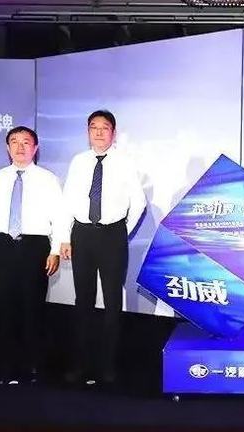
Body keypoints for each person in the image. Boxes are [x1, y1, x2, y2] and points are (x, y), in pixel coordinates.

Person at [60, 109, 146, 386]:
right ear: (88, 132)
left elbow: (139, 202)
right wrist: (64, 237)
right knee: (82, 301)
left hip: (112, 235)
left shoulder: (125, 162)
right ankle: (81, 365)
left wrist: (121, 231)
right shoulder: (79, 161)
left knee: (112, 301)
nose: (98, 132)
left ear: (113, 133)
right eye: (93, 127)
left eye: (104, 127)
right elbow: (68, 200)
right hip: (82, 234)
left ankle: (108, 366)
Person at [0, 126, 63, 385]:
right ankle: (8, 367)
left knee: (32, 308)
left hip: (35, 246)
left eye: (26, 142)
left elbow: (59, 218)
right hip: (2, 246)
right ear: (7, 148)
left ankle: (32, 367)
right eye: (14, 142)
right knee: (6, 309)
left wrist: (55, 250)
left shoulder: (48, 179)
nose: (20, 147)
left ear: (35, 148)